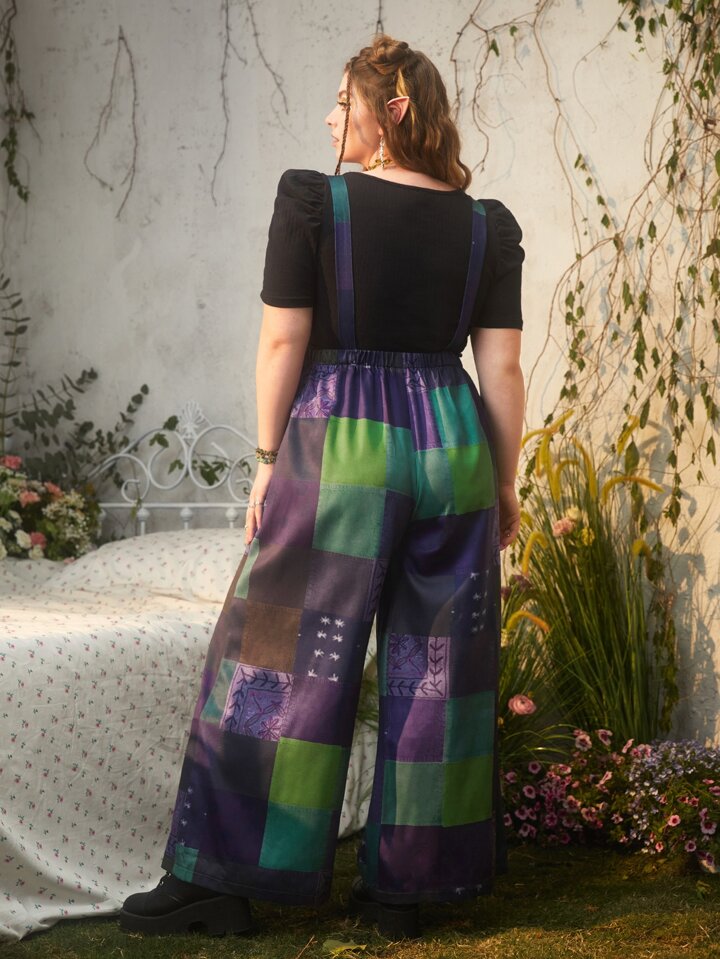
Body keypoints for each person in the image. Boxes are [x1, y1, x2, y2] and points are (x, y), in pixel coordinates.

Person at [119, 33, 525, 940]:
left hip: (342, 436)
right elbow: (501, 369)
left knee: (275, 654)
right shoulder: (486, 226)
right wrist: (503, 479)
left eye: (345, 102)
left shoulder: (314, 203)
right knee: (437, 666)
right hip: (452, 437)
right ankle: (407, 892)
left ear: (394, 111)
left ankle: (226, 879)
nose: (330, 117)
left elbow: (281, 341)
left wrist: (268, 459)